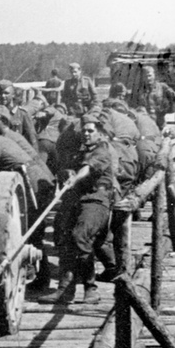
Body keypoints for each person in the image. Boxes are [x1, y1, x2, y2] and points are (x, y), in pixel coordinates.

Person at [0, 118, 55, 288]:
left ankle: (40, 279)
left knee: (31, 232)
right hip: (39, 182)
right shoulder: (1, 139)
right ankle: (39, 277)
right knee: (33, 233)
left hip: (33, 186)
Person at [41, 114, 116, 305]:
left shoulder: (102, 150)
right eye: (84, 130)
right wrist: (67, 173)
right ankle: (65, 289)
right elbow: (71, 169)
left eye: (91, 130)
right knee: (63, 236)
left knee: (80, 236)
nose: (86, 133)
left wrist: (76, 177)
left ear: (99, 133)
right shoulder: (79, 152)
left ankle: (90, 288)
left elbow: (88, 169)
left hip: (96, 200)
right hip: (77, 199)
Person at [0, 79, 39, 148]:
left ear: (13, 95)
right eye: (0, 93)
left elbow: (32, 139)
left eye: (6, 93)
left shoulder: (22, 113)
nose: (3, 96)